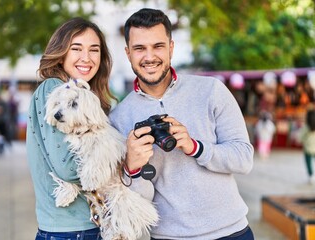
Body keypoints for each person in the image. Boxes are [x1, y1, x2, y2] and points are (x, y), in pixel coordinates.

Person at [109, 8, 255, 240]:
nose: (149, 57)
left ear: (171, 48)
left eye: (158, 46)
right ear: (128, 53)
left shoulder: (211, 90)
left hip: (232, 231)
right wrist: (133, 169)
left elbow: (244, 159)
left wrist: (195, 147)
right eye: (139, 48)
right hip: (170, 236)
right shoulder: (118, 118)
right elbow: (138, 200)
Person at [26, 17, 115, 240]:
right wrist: (122, 160)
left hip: (89, 227)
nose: (86, 58)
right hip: (70, 231)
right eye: (76, 48)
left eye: (94, 50)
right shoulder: (54, 90)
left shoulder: (89, 98)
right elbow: (67, 168)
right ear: (61, 52)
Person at [299, 106, 315, 185]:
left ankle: (311, 175)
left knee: (308, 163)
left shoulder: (306, 127)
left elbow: (300, 138)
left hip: (308, 148)